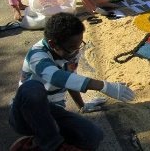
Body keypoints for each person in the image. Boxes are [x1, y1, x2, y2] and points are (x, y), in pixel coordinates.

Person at [8, 12, 134, 150]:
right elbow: (56, 76)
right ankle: (54, 145)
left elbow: (70, 79)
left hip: (53, 113)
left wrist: (82, 106)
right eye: (73, 47)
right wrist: (103, 86)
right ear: (53, 44)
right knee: (32, 88)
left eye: (79, 45)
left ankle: (41, 140)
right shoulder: (37, 55)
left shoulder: (70, 52)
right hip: (25, 116)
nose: (77, 50)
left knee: (94, 136)